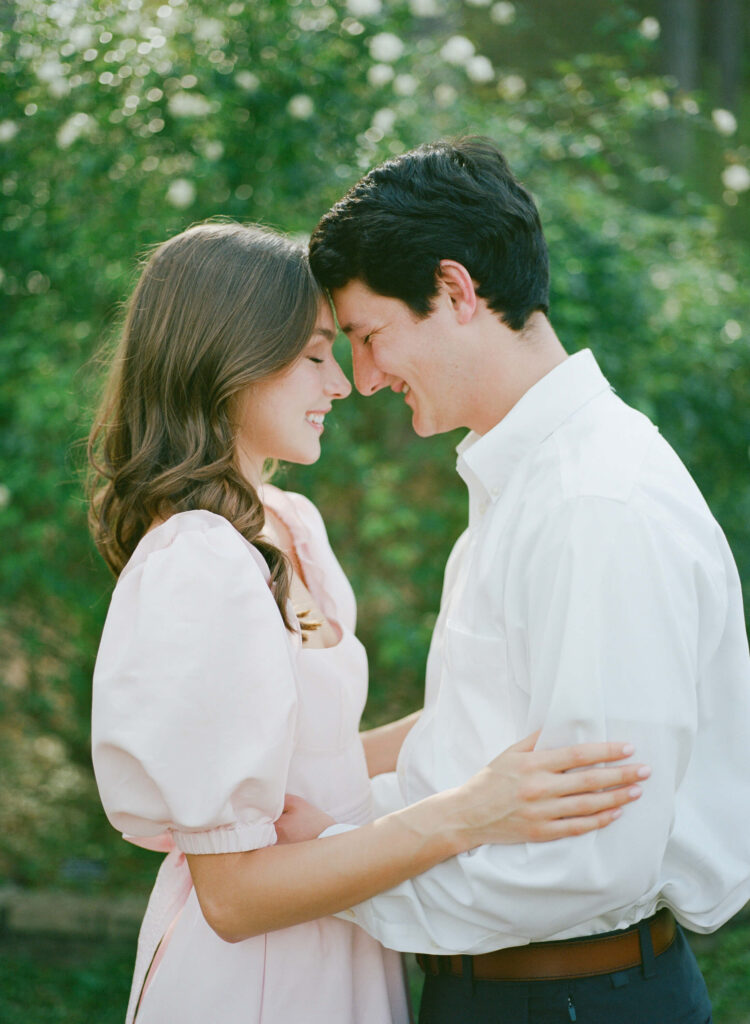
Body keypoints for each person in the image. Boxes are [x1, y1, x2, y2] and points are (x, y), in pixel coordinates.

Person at [87, 220, 647, 1024]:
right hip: (258, 981)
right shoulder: (195, 560)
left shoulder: (289, 523)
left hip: (345, 940)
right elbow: (235, 897)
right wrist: (468, 811)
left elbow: (318, 764)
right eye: (315, 354)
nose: (344, 383)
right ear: (225, 361)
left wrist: (518, 702)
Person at [307, 137, 750, 1023]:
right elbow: (485, 740)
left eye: (369, 336)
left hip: (571, 999)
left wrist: (324, 876)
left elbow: (593, 857)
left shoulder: (595, 503)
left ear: (457, 290)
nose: (364, 378)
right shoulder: (531, 482)